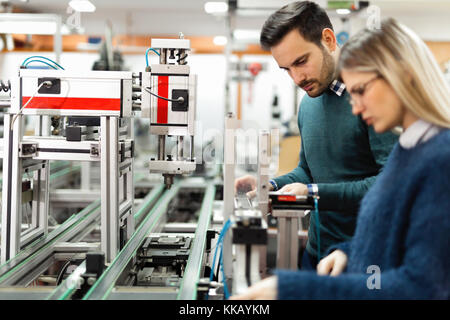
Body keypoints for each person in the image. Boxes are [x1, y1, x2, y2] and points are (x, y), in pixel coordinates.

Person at [231, 17, 450, 300]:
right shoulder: (409, 149)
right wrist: (348, 252)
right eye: (287, 69)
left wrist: (291, 288)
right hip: (341, 262)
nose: (355, 108)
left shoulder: (438, 161)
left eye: (359, 90)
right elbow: (383, 225)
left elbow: (420, 285)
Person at [235, 1, 397, 268]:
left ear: (329, 40)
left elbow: (390, 184)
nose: (296, 78)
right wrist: (269, 186)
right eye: (286, 69)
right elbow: (307, 170)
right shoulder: (308, 104)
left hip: (364, 256)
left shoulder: (374, 97)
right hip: (316, 252)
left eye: (301, 62)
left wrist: (313, 192)